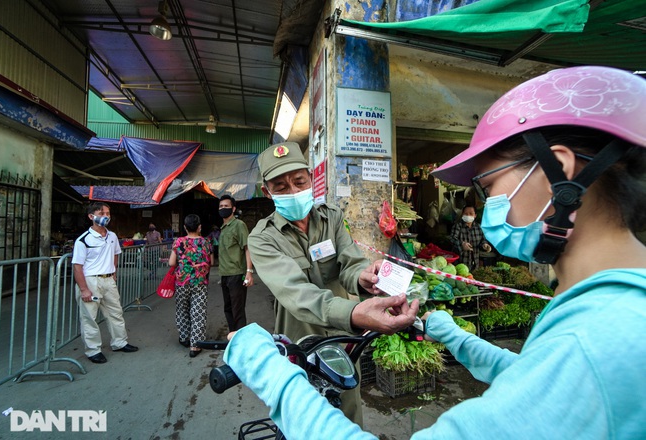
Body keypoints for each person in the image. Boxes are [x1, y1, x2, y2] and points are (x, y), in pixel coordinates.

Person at [222, 66, 646, 439]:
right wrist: (455, 336)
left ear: (561, 172)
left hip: (341, 335)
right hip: (305, 335)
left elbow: (349, 262)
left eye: (489, 185)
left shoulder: (596, 340)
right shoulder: (608, 316)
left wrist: (271, 375)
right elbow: (538, 381)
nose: (485, 207)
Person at [247, 141, 420, 425]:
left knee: (348, 411)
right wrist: (354, 314)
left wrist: (365, 278)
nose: (293, 191)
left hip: (344, 341)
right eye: (280, 187)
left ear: (310, 180)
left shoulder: (333, 217)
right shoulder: (262, 238)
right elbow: (297, 294)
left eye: (299, 181)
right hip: (300, 341)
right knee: (304, 418)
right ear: (267, 192)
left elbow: (350, 264)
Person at [72, 202, 139, 364]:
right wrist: (84, 289)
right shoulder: (83, 240)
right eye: (101, 213)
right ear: (91, 216)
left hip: (108, 280)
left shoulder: (112, 236)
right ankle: (93, 350)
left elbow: (115, 254)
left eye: (108, 213)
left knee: (115, 312)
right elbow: (77, 267)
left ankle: (120, 342)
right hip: (91, 281)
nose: (106, 217)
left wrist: (113, 272)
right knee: (89, 317)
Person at [168, 214, 213, 358]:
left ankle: (184, 338)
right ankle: (195, 345)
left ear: (185, 228)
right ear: (200, 227)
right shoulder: (206, 242)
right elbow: (211, 261)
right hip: (200, 282)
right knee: (198, 312)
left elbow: (171, 263)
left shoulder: (178, 242)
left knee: (182, 309)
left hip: (182, 282)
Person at [218, 194, 254, 332]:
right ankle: (233, 336)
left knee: (237, 309)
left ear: (233, 209)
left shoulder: (239, 225)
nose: (223, 208)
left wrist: (249, 272)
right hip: (225, 274)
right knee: (228, 308)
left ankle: (241, 340)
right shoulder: (224, 227)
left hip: (236, 274)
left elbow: (247, 248)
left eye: (226, 206)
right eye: (221, 206)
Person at [449, 205, 491, 270]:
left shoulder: (479, 227)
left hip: (475, 264)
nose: (468, 215)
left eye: (471, 213)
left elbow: (483, 240)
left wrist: (485, 245)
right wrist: (462, 244)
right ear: (462, 215)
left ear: (475, 215)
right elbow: (452, 239)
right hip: (460, 264)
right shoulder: (457, 226)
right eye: (466, 213)